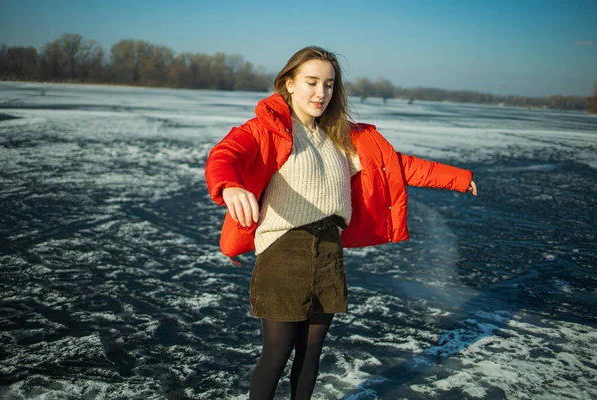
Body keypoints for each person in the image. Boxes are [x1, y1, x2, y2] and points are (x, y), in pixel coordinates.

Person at [205, 46, 478, 400]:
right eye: (312, 82)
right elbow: (226, 154)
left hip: (329, 253)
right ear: (288, 84)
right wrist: (229, 186)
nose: (321, 93)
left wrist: (457, 178)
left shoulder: (342, 139)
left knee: (311, 353)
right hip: (283, 252)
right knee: (277, 352)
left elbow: (400, 166)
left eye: (329, 84)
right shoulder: (267, 130)